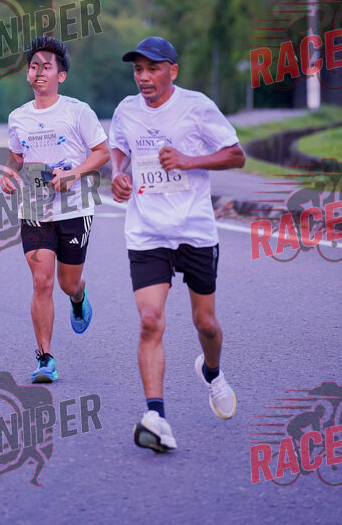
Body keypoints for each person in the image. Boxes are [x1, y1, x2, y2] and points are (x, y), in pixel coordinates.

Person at [109, 36, 245, 452]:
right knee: (150, 320)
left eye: (152, 69)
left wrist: (190, 160)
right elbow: (118, 147)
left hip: (194, 230)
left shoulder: (196, 106)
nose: (144, 77)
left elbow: (236, 155)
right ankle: (156, 417)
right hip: (147, 231)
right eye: (138, 69)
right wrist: (117, 173)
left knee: (206, 324)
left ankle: (212, 372)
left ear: (173, 70)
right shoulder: (126, 110)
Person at [0, 36, 109, 383]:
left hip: (75, 205)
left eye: (46, 67)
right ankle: (45, 358)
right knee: (41, 281)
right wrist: (8, 172)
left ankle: (78, 296)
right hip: (34, 205)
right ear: (27, 74)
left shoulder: (78, 111)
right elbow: (16, 156)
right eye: (34, 66)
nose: (39, 72)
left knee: (67, 283)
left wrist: (73, 175)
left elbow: (102, 152)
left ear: (61, 75)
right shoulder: (18, 117)